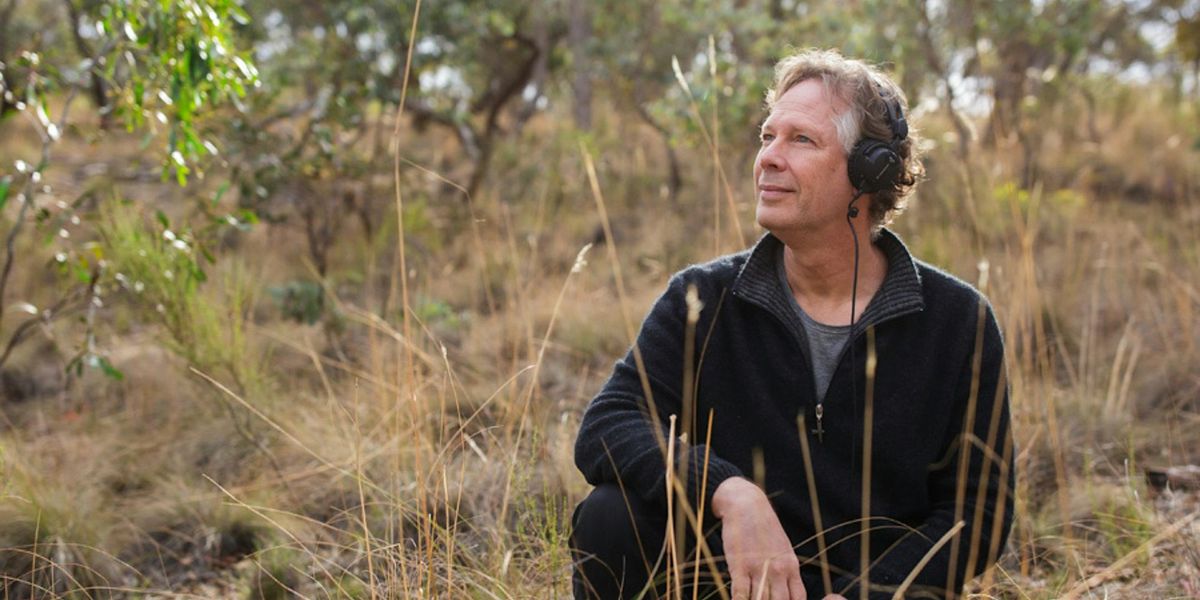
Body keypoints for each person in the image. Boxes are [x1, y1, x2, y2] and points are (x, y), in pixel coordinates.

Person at [570, 48, 1014, 600]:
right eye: (766, 136)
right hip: (734, 583)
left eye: (801, 139)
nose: (768, 159)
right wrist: (729, 491)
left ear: (869, 170)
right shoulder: (703, 297)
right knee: (611, 516)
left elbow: (978, 512)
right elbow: (609, 424)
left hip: (873, 592)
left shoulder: (957, 320)